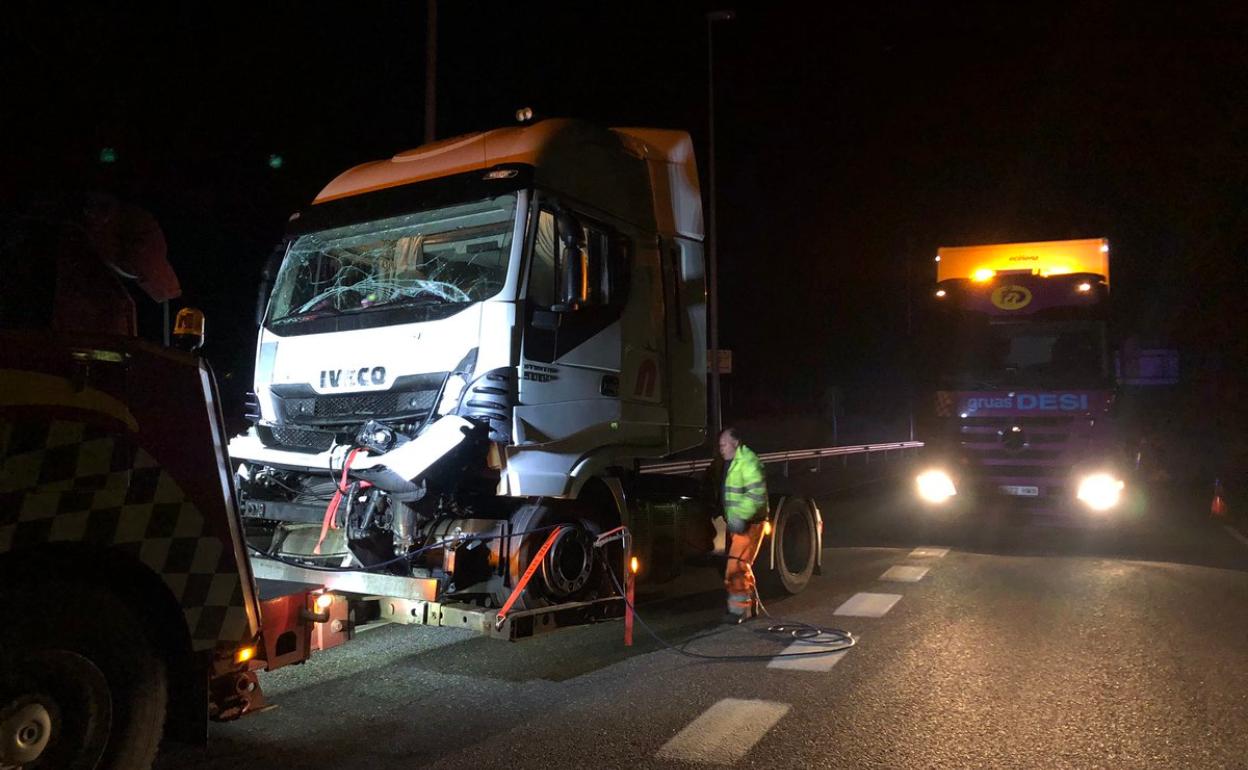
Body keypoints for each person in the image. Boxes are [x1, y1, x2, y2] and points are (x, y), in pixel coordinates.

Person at [718, 427, 768, 623]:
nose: (720, 449)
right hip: (740, 524)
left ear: (735, 444)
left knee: (736, 567)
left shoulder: (748, 463)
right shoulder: (733, 462)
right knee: (743, 565)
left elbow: (756, 496)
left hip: (750, 524)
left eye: (723, 445)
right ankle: (750, 606)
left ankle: (739, 611)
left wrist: (739, 517)